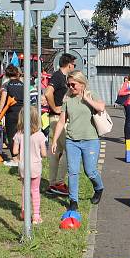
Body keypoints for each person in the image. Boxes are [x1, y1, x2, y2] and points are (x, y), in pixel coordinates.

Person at [51, 70, 105, 212]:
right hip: (72, 140)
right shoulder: (67, 99)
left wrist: (86, 99)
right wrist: (55, 140)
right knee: (73, 171)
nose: (71, 87)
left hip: (90, 140)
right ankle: (73, 201)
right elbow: (62, 122)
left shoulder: (91, 94)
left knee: (90, 171)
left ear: (81, 84)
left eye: (73, 84)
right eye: (69, 85)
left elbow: (101, 107)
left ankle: (99, 188)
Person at [44, 53, 76, 196]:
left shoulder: (62, 77)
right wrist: (55, 107)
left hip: (56, 118)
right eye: (73, 64)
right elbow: (48, 92)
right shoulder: (58, 76)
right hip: (57, 118)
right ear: (68, 64)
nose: (74, 67)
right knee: (69, 150)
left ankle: (52, 183)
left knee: (55, 152)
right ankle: (59, 182)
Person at [12, 107, 47, 225]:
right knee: (35, 190)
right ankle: (36, 216)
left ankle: (24, 211)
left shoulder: (19, 134)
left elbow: (15, 151)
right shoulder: (40, 135)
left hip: (23, 166)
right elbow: (44, 153)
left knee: (24, 189)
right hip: (35, 166)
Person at [0, 64, 25, 166]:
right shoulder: (23, 84)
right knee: (22, 135)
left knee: (11, 135)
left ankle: (15, 159)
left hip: (11, 113)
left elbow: (3, 100)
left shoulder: (6, 85)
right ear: (17, 73)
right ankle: (22, 157)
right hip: (23, 112)